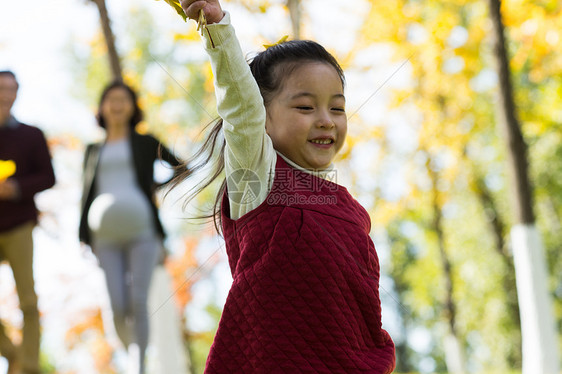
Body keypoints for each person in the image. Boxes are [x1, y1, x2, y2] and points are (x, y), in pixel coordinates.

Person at [172, 1, 396, 372]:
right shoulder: (257, 180)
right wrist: (217, 29)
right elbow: (241, 109)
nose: (326, 121)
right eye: (305, 108)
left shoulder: (351, 212)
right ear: (265, 117)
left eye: (337, 108)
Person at [78, 81, 183, 374]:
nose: (117, 104)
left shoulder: (146, 142)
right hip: (103, 236)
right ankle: (130, 356)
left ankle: (138, 368)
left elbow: (182, 166)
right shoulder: (92, 150)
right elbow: (85, 193)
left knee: (138, 301)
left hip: (143, 233)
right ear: (101, 107)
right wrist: (82, 236)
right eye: (110, 99)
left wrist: (154, 187)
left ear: (133, 107)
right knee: (116, 306)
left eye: (123, 99)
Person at [0, 70, 56, 374]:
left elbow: (48, 176)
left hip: (20, 224)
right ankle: (12, 354)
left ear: (17, 93)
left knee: (28, 301)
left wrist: (17, 188)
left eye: (10, 89)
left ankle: (29, 367)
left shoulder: (31, 135)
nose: (5, 94)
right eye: (0, 88)